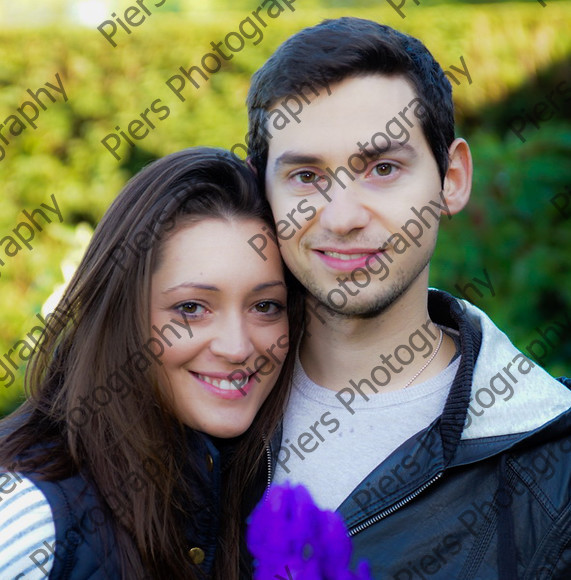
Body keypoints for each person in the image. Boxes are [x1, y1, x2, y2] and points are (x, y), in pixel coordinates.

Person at [246, 17, 571, 578]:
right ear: (261, 192)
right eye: (305, 176)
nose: (342, 217)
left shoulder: (554, 465)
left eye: (383, 168)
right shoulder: (193, 412)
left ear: (451, 179)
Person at [0, 147, 302, 579]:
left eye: (267, 306)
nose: (237, 347)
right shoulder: (29, 513)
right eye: (193, 308)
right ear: (123, 316)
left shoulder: (261, 494)